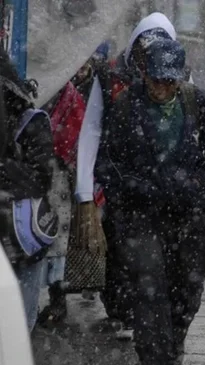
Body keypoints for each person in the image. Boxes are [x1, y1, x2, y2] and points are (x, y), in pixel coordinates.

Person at [96, 38, 205, 365]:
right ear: (145, 74)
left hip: (189, 214)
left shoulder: (196, 102)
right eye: (157, 79)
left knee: (188, 287)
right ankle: (155, 356)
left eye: (169, 80)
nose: (162, 87)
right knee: (147, 288)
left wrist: (199, 178)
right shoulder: (127, 105)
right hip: (140, 216)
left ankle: (175, 338)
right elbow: (108, 161)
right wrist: (137, 185)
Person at [37, 43, 111, 326]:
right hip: (46, 175)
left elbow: (80, 135)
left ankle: (59, 300)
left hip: (62, 181)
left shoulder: (71, 96)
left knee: (58, 240)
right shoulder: (59, 93)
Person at [0, 48, 55, 333]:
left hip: (20, 239)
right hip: (22, 243)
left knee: (17, 328)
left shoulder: (31, 121)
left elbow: (41, 178)